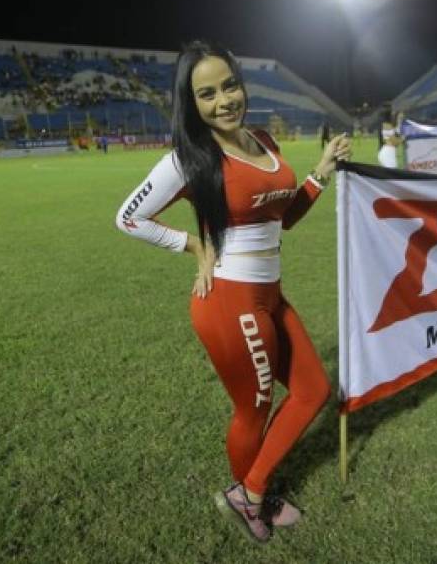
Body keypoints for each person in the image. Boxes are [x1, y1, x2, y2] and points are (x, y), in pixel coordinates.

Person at [115, 40, 350, 543]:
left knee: (313, 390)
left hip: (270, 294)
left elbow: (279, 218)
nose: (224, 100)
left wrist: (319, 175)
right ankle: (252, 497)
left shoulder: (264, 140)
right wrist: (195, 246)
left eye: (229, 85)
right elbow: (128, 217)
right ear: (191, 103)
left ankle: (251, 490)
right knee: (255, 407)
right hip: (229, 301)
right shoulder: (188, 158)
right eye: (207, 94)